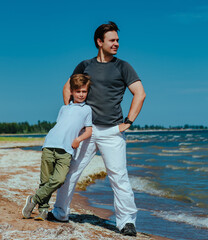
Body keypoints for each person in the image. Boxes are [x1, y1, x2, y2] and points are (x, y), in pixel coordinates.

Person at [51, 21, 146, 237]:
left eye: (118, 40)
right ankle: (60, 212)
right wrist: (71, 114)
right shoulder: (84, 65)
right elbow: (67, 87)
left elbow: (140, 93)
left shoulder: (123, 67)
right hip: (87, 130)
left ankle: (126, 223)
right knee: (72, 171)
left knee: (118, 176)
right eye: (112, 40)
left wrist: (128, 122)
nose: (116, 44)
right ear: (99, 42)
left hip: (112, 131)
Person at [22, 74, 93, 221]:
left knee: (59, 179)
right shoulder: (64, 108)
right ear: (72, 91)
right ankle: (43, 211)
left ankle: (33, 199)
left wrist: (78, 139)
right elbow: (60, 126)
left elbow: (89, 131)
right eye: (78, 91)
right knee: (45, 180)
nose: (81, 94)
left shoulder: (87, 110)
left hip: (67, 150)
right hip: (50, 145)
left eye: (84, 91)